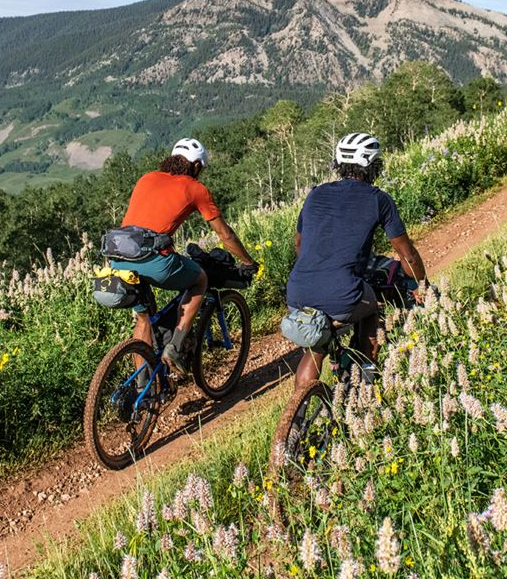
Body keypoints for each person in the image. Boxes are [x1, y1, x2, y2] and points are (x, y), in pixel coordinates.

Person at [287, 132, 428, 390]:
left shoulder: (315, 194)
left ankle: (297, 421)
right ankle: (366, 378)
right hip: (342, 293)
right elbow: (407, 255)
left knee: (318, 343)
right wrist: (421, 285)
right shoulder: (378, 199)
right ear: (372, 164)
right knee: (370, 304)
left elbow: (299, 244)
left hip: (298, 291)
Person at [113, 137, 256, 373]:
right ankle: (175, 347)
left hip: (119, 258)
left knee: (143, 320)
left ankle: (143, 388)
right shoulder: (194, 188)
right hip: (152, 260)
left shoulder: (147, 178)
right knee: (199, 279)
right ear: (196, 166)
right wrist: (248, 261)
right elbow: (225, 234)